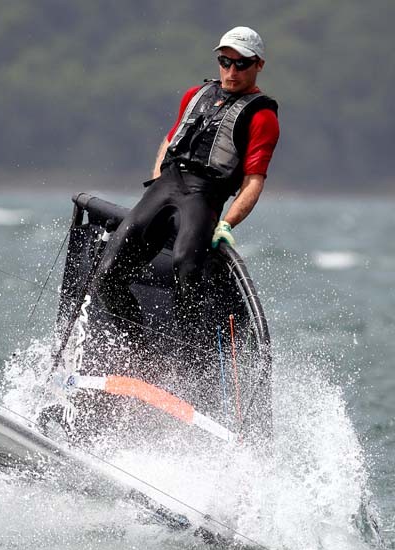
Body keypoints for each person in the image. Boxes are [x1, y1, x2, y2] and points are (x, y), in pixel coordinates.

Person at [98, 26, 279, 337]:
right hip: (165, 186)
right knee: (106, 276)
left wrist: (228, 224)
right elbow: (170, 141)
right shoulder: (194, 95)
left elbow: (253, 181)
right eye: (225, 62)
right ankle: (141, 352)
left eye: (241, 64)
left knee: (186, 268)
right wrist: (157, 181)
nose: (231, 71)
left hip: (203, 196)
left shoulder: (262, 117)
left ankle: (189, 365)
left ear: (258, 64)